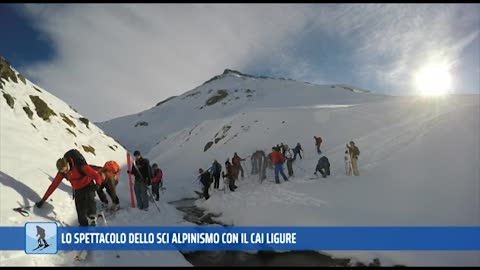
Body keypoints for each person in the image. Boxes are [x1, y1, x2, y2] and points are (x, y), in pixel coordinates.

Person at [36, 149, 103, 226]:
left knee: (90, 200)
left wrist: (98, 184)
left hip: (88, 185)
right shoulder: (62, 172)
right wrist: (43, 200)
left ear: (67, 163)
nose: (66, 172)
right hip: (78, 189)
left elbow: (96, 176)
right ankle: (83, 227)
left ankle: (92, 220)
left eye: (66, 170)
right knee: (80, 212)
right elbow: (53, 185)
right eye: (63, 172)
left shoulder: (80, 166)